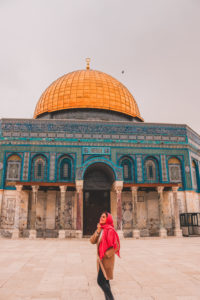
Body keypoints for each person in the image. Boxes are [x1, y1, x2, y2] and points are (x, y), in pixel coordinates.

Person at [90, 212, 120, 300]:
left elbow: (116, 246)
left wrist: (106, 254)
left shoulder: (110, 230)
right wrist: (98, 231)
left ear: (108, 219)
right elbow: (92, 241)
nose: (101, 218)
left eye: (103, 217)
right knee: (106, 282)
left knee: (100, 281)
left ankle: (111, 298)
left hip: (106, 261)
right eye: (101, 217)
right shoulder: (101, 229)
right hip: (100, 260)